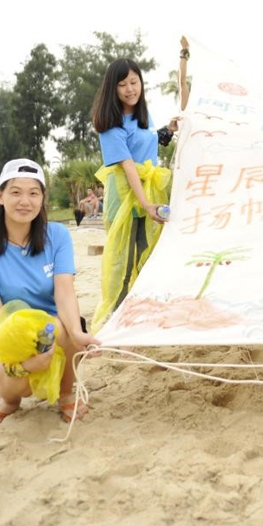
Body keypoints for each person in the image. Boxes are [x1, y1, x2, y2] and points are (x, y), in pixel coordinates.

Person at [0, 158, 100, 428]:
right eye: (15, 192)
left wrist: (77, 332)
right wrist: (27, 363)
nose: (25, 201)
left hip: (54, 329)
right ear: (0, 196)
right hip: (10, 335)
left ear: (42, 198)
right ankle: (9, 402)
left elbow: (64, 291)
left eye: (33, 193)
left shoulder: (57, 235)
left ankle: (66, 394)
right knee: (15, 385)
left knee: (67, 328)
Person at [91, 57, 177, 329]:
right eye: (122, 84)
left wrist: (168, 130)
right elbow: (129, 167)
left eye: (134, 82)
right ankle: (117, 320)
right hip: (126, 199)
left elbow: (148, 142)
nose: (130, 89)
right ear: (112, 88)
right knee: (124, 263)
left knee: (147, 254)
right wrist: (145, 204)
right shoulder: (110, 125)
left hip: (148, 193)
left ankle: (143, 315)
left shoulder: (143, 116)